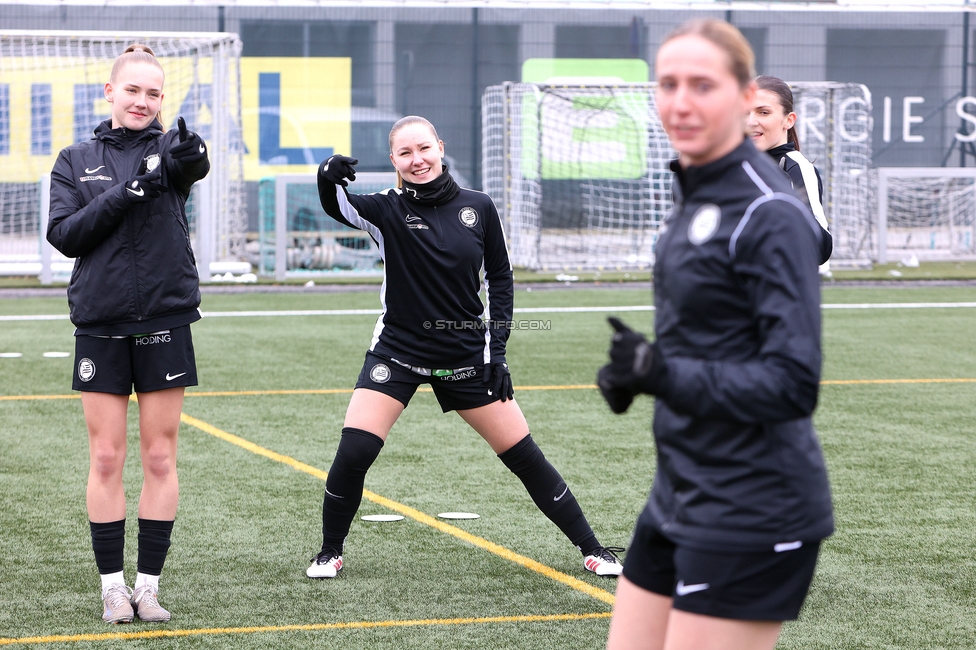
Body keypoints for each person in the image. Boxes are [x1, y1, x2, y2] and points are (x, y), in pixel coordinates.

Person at [597, 20, 834, 650]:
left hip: (754, 504)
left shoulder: (771, 213)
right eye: (668, 83)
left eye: (701, 84)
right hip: (680, 487)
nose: (681, 100)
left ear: (737, 97)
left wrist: (664, 374)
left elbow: (792, 384)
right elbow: (711, 341)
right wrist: (638, 374)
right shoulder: (694, 201)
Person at [308, 115, 622, 580]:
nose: (417, 160)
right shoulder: (386, 209)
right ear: (394, 160)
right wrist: (326, 176)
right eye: (405, 154)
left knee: (524, 456)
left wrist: (497, 353)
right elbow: (340, 206)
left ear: (440, 146)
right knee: (354, 454)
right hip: (397, 351)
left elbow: (500, 279)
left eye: (424, 149)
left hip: (466, 357)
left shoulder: (479, 206)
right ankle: (330, 550)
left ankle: (593, 549)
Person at [47, 44, 210, 624]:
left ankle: (149, 586)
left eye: (154, 93)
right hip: (102, 323)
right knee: (108, 455)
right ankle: (112, 586)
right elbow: (65, 235)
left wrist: (189, 154)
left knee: (161, 457)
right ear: (110, 92)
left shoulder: (169, 149)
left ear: (163, 99)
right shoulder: (75, 158)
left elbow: (192, 163)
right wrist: (129, 192)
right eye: (133, 90)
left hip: (165, 320)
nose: (143, 101)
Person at [748, 74, 833, 268]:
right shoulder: (736, 167)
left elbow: (821, 248)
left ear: (789, 120)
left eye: (763, 112)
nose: (751, 121)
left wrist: (785, 208)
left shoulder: (795, 166)